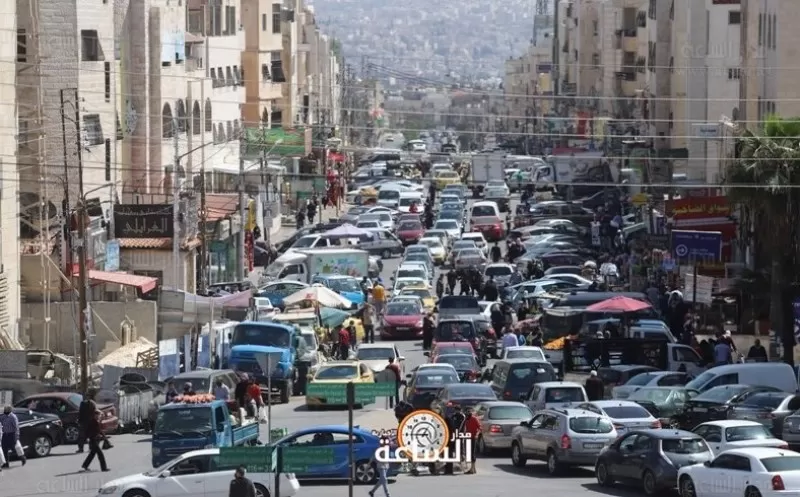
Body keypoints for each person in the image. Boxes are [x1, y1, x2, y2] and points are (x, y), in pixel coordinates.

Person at [463, 408, 480, 474]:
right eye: (467, 412)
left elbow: (479, 427)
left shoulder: (474, 418)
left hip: (473, 437)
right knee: (469, 453)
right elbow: (465, 428)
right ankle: (473, 469)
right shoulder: (466, 419)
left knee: (472, 453)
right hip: (467, 437)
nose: (467, 413)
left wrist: (477, 435)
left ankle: (472, 469)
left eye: (469, 411)